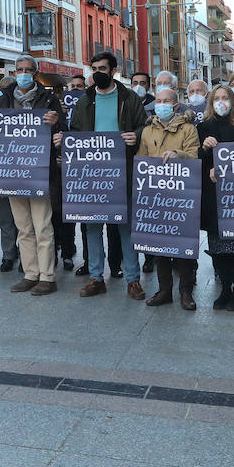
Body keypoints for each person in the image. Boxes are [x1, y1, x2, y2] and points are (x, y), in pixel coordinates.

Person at [63, 50, 146, 299]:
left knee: (125, 228)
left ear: (113, 70)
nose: (97, 73)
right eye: (94, 69)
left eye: (102, 69)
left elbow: (144, 125)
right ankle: (96, 277)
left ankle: (133, 280)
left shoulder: (129, 98)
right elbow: (75, 131)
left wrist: (137, 135)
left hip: (122, 170)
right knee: (91, 227)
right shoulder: (85, 100)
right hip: (91, 173)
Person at [0, 56, 66, 297]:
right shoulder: (4, 98)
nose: (23, 74)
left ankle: (47, 276)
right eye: (19, 70)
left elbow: (63, 135)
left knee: (42, 226)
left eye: (28, 70)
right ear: (14, 71)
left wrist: (56, 122)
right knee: (23, 227)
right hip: (13, 172)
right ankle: (30, 273)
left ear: (36, 72)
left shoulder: (50, 98)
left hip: (40, 172)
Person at [137, 87, 201, 309]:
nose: (161, 104)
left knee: (182, 246)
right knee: (159, 246)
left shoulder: (188, 129)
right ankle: (164, 290)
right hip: (156, 195)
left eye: (166, 101)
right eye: (158, 100)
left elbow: (194, 156)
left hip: (181, 195)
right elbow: (141, 160)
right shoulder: (147, 131)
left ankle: (186, 291)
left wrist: (178, 155)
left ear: (175, 106)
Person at [198, 85, 234, 311]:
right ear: (211, 102)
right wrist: (205, 149)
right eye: (217, 98)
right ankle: (224, 289)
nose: (221, 102)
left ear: (232, 101)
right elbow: (197, 160)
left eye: (225, 98)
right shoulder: (203, 127)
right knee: (218, 246)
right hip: (212, 195)